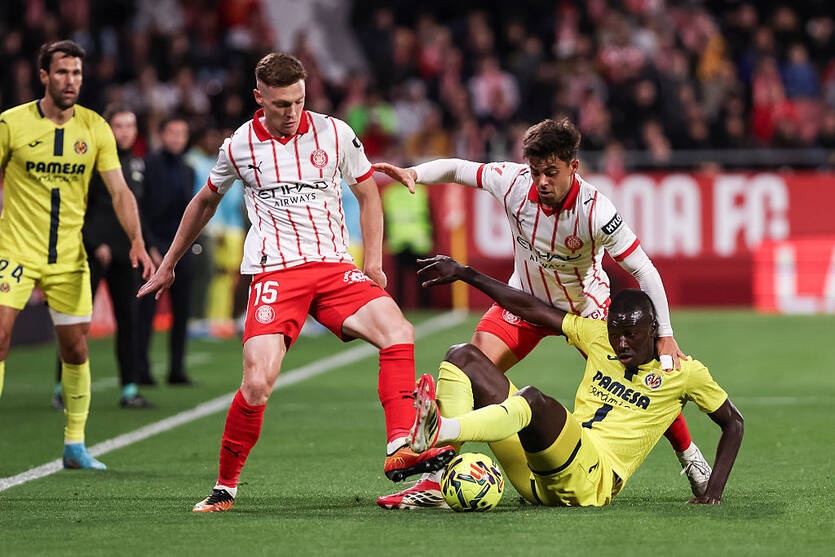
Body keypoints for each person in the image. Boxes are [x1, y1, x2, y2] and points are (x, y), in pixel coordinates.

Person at [137, 52, 455, 513]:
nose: (292, 112)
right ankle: (225, 487)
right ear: (259, 97)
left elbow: (368, 194)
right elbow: (204, 202)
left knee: (398, 330)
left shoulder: (335, 133)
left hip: (333, 266)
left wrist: (372, 262)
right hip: (275, 272)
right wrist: (168, 264)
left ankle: (399, 447)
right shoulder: (239, 146)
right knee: (257, 384)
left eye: (299, 101)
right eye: (281, 104)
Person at [375, 117, 708, 509]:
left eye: (551, 172)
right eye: (536, 172)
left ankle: (689, 455)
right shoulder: (513, 182)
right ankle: (436, 481)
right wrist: (415, 173)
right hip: (524, 302)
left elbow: (644, 270)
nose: (542, 181)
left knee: (642, 381)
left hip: (584, 310)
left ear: (573, 167)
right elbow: (461, 169)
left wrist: (665, 334)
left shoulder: (596, 211)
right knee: (468, 365)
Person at [408, 255, 744, 506]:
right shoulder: (597, 336)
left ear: (653, 329)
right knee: (462, 356)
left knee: (532, 400)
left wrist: (713, 492)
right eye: (615, 334)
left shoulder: (683, 373)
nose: (621, 343)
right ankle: (438, 473)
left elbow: (734, 423)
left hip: (591, 482)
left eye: (630, 334)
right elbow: (533, 309)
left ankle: (443, 430)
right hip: (539, 475)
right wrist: (467, 274)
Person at [0, 40, 154, 469]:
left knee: (75, 349)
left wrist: (137, 240)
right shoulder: (11, 123)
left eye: (77, 73)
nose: (71, 81)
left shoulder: (94, 127)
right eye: (62, 72)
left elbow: (120, 191)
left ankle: (74, 444)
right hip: (15, 250)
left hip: (68, 257)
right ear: (44, 76)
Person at [52, 107, 154, 410]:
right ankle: (62, 387)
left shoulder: (137, 164)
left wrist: (145, 245)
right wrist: (95, 242)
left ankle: (129, 389)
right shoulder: (91, 161)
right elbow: (76, 207)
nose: (125, 131)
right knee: (76, 322)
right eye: (119, 125)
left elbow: (137, 211)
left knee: (128, 322)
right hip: (92, 252)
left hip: (126, 254)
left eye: (130, 125)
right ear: (107, 129)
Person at [136, 115, 196, 386]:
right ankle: (141, 369)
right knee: (146, 311)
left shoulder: (188, 169)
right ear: (162, 135)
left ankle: (177, 369)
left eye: (182, 133)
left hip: (181, 248)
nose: (177, 138)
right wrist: (149, 246)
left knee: (182, 311)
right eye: (172, 132)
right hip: (155, 247)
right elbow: (139, 209)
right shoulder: (147, 165)